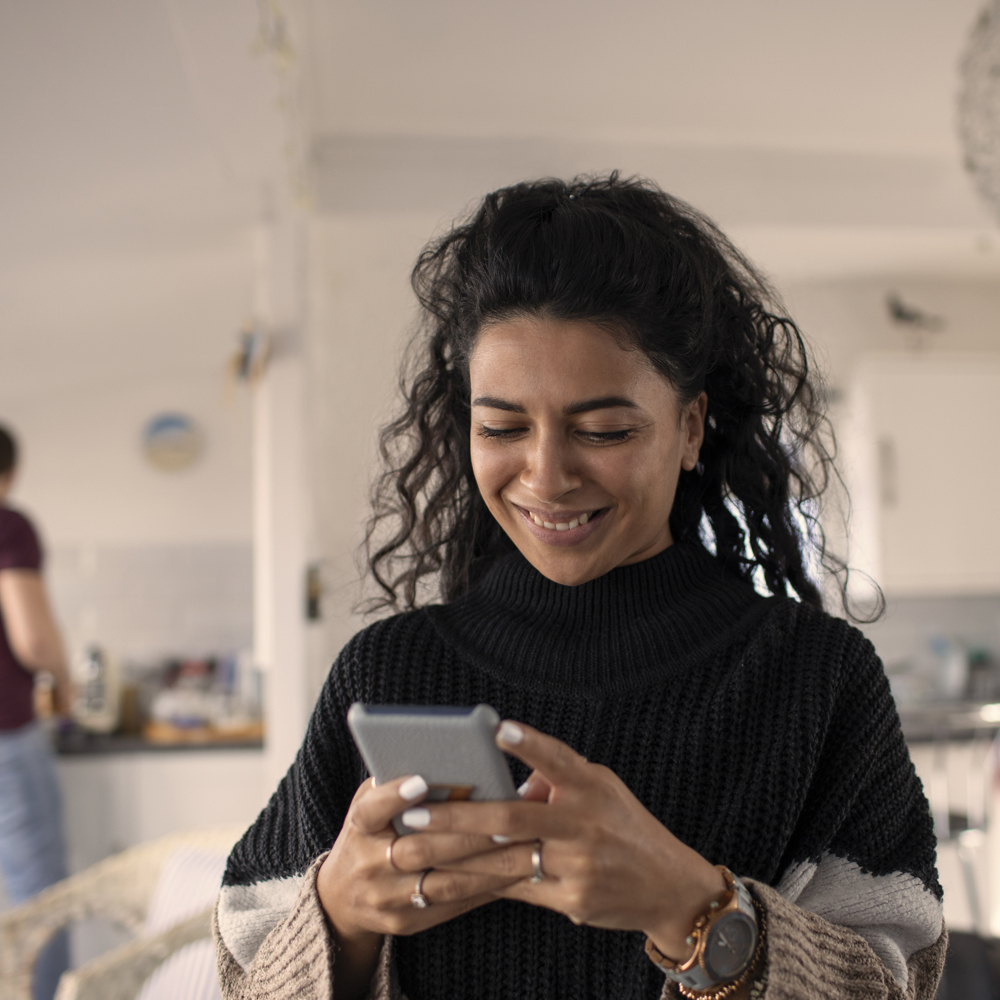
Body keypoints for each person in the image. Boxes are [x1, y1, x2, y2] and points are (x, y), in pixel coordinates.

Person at [214, 175, 945, 1000]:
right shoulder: (386, 673)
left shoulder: (814, 679)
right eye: (502, 427)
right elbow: (241, 969)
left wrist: (696, 908)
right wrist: (339, 914)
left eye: (604, 430)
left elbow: (899, 983)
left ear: (691, 427)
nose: (547, 475)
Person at [0, 424, 73, 1000]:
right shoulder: (9, 524)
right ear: (11, 472)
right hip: (6, 734)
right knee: (42, 899)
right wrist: (64, 679)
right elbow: (32, 639)